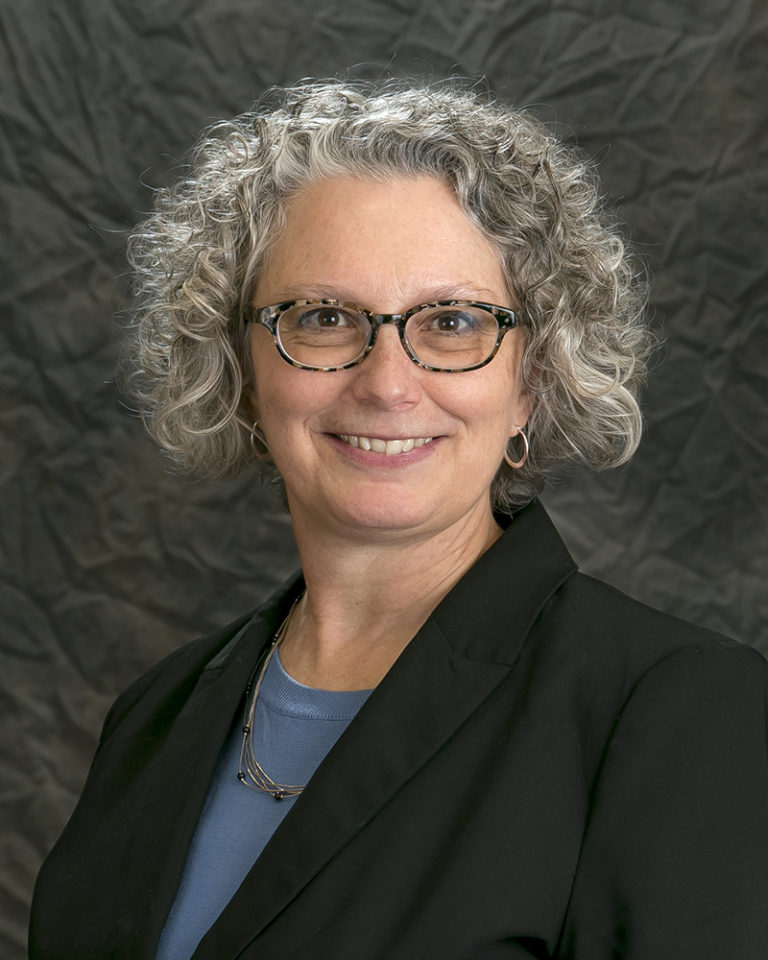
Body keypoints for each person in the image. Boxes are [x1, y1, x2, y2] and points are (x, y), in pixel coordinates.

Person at [30, 79, 768, 960]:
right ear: (240, 368)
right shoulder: (154, 719)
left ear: (532, 380)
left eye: (454, 322)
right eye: (325, 317)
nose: (386, 382)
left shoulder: (674, 710)